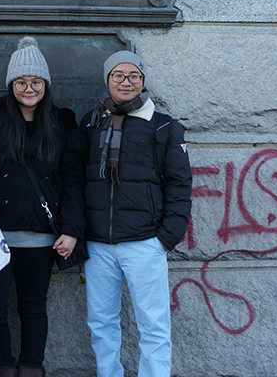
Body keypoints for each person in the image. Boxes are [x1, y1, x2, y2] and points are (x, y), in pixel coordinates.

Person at [0, 36, 86, 377]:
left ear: (45, 84)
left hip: (40, 238)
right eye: (21, 82)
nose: (28, 88)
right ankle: (1, 370)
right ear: (12, 84)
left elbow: (72, 181)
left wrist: (72, 231)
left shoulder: (61, 123)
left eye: (36, 82)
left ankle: (31, 369)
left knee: (33, 308)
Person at [81, 50, 192, 377]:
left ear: (142, 81)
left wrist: (166, 239)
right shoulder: (91, 122)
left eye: (133, 76)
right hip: (99, 244)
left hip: (145, 243)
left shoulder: (163, 126)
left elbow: (179, 183)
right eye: (118, 75)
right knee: (101, 323)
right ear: (107, 79)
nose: (126, 82)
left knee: (154, 326)